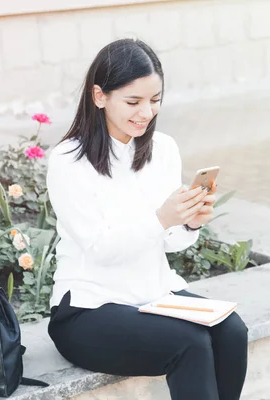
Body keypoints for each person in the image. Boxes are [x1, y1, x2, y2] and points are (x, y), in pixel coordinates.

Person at [46, 38, 248, 400]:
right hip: (87, 309)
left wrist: (189, 222)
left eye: (155, 101)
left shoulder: (163, 150)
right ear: (99, 96)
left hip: (154, 295)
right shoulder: (68, 160)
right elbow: (101, 250)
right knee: (190, 343)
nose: (146, 112)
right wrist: (160, 219)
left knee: (232, 331)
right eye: (133, 101)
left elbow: (170, 242)